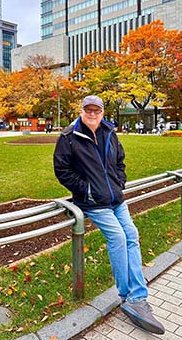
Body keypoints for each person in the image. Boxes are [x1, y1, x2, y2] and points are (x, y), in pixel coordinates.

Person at [53, 95, 165, 335]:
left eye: (97, 110)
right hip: (94, 203)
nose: (92, 114)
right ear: (81, 110)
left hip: (115, 199)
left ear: (102, 112)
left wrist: (119, 183)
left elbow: (120, 162)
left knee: (132, 235)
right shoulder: (69, 137)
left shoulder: (109, 132)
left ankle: (137, 296)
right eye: (88, 110)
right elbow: (61, 169)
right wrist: (87, 190)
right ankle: (128, 296)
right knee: (118, 238)